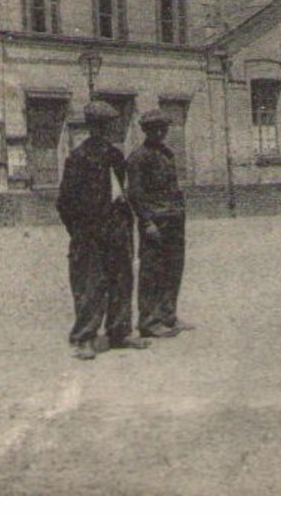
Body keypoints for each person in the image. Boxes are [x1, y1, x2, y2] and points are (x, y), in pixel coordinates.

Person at [56, 101, 146, 360]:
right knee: (90, 284)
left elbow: (121, 190)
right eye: (102, 126)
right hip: (90, 230)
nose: (105, 131)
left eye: (108, 126)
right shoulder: (78, 157)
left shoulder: (115, 155)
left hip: (116, 226)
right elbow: (64, 201)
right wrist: (78, 230)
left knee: (121, 279)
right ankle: (84, 337)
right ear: (92, 127)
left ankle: (120, 332)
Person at [128, 110, 194, 338]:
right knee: (151, 271)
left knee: (173, 269)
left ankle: (168, 315)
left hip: (174, 220)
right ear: (146, 131)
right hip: (155, 222)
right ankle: (148, 321)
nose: (160, 133)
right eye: (155, 129)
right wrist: (146, 222)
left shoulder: (167, 154)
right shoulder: (138, 157)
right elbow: (134, 194)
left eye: (163, 129)